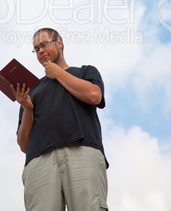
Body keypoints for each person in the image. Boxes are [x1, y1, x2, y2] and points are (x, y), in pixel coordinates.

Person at [11, 28, 109, 211]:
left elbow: (95, 95)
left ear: (59, 43)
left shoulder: (85, 71)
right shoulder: (31, 91)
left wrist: (57, 73)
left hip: (82, 150)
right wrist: (27, 108)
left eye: (44, 45)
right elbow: (23, 144)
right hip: (39, 160)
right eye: (36, 49)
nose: (40, 51)